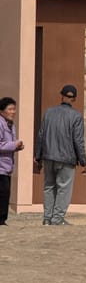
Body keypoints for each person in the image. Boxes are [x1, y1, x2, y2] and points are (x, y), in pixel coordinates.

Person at [34, 84, 86, 226]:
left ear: (62, 96)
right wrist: (83, 161)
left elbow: (41, 135)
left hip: (49, 156)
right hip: (66, 158)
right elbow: (78, 140)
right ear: (74, 99)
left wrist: (38, 156)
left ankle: (47, 218)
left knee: (49, 187)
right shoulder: (76, 116)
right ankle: (57, 218)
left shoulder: (49, 112)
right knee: (64, 188)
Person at [0, 97, 25, 226]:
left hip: (7, 167)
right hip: (1, 167)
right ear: (2, 111)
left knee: (5, 194)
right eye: (10, 109)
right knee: (2, 194)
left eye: (14, 109)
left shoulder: (10, 124)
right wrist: (13, 145)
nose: (13, 112)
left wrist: (17, 147)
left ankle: (2, 219)